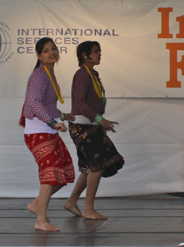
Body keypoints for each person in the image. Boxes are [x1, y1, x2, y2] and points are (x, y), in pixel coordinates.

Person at [63, 41, 124, 220]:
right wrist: (99, 119)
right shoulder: (82, 74)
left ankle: (72, 201)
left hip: (90, 125)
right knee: (96, 166)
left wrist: (100, 120)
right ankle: (88, 208)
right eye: (96, 51)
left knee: (89, 167)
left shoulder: (92, 74)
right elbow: (80, 104)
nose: (99, 54)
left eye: (99, 51)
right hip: (82, 125)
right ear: (85, 55)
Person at [20, 37, 75, 232]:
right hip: (38, 131)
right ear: (39, 56)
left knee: (65, 173)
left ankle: (36, 204)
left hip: (49, 129)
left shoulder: (49, 73)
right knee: (50, 175)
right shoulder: (39, 76)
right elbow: (33, 103)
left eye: (53, 49)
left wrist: (62, 115)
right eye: (45, 50)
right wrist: (53, 121)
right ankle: (41, 220)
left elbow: (48, 104)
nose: (51, 52)